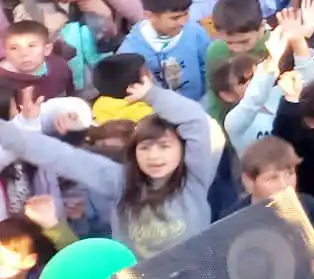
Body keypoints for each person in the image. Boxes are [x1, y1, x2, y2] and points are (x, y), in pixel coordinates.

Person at [0, 74, 220, 259]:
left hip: (197, 275)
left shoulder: (193, 178)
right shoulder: (120, 182)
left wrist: (152, 95)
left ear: (182, 150)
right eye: (145, 148)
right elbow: (60, 156)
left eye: (164, 146)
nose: (154, 156)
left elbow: (195, 120)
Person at [228, 137, 314, 259]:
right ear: (249, 181)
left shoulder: (309, 206)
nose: (284, 185)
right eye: (273, 178)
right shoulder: (233, 220)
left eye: (289, 174)